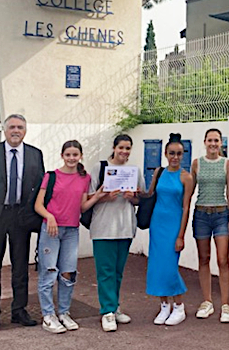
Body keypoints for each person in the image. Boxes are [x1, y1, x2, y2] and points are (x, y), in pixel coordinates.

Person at [0, 114, 46, 333]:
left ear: (25, 131)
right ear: (5, 130)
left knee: (20, 266)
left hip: (21, 217)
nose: (16, 130)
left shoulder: (34, 154)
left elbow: (41, 188)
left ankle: (19, 310)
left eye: (20, 127)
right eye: (12, 127)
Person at [81, 134, 145, 332]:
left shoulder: (134, 171)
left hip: (125, 226)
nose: (124, 152)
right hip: (103, 227)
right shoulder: (100, 168)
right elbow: (89, 197)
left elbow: (140, 198)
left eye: (128, 148)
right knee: (105, 271)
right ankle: (107, 311)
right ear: (114, 148)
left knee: (118, 271)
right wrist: (104, 196)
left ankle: (114, 307)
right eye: (121, 148)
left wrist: (132, 196)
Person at [33, 140, 92, 334]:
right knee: (48, 272)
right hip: (51, 231)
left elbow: (82, 207)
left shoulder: (85, 178)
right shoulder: (50, 177)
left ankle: (64, 312)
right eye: (68, 155)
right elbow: (38, 205)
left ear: (80, 156)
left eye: (75, 155)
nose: (72, 158)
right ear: (62, 156)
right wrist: (49, 216)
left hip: (72, 231)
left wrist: (99, 195)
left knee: (68, 273)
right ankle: (48, 315)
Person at [145, 133, 194, 326]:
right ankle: (164, 304)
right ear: (165, 153)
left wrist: (181, 235)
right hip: (157, 224)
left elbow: (186, 207)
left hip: (174, 225)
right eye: (172, 153)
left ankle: (179, 306)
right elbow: (150, 194)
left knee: (169, 267)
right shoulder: (159, 172)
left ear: (183, 155)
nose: (175, 157)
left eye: (179, 154)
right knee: (157, 266)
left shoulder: (186, 177)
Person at [191, 128, 229, 323]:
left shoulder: (227, 164)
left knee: (223, 259)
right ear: (205, 142)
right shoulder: (196, 164)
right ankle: (207, 301)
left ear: (221, 143)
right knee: (203, 258)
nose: (213, 144)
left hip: (221, 215)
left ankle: (226, 305)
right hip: (201, 214)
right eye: (210, 140)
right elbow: (189, 191)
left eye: (216, 140)